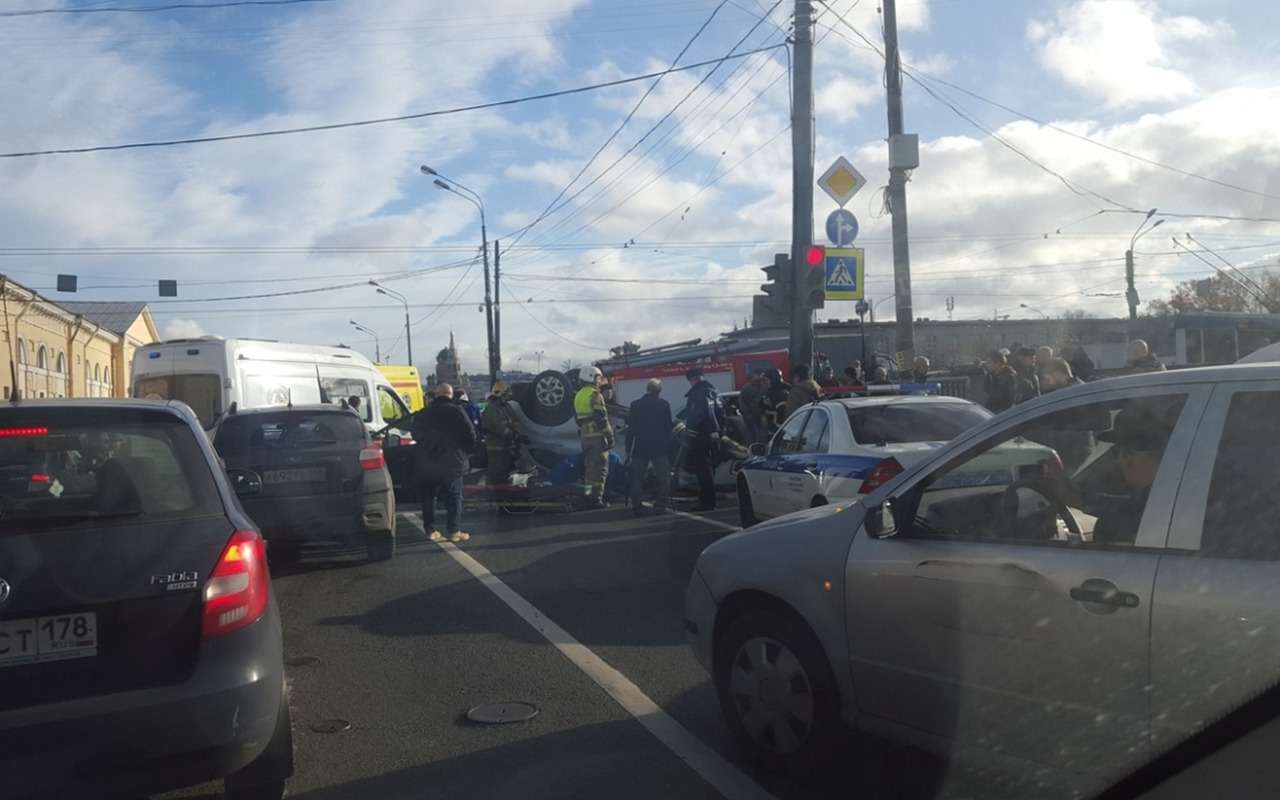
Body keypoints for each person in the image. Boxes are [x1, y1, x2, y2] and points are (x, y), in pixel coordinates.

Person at [410, 383, 476, 543]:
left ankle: (430, 530)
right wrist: (466, 451)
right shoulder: (457, 411)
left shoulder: (424, 413)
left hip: (428, 462)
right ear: (450, 395)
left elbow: (415, 434)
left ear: (436, 395)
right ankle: (454, 531)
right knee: (454, 497)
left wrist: (430, 445)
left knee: (429, 497)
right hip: (452, 461)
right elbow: (470, 434)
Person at [627, 378, 674, 516]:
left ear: (647, 389)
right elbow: (668, 428)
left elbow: (631, 430)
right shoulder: (664, 404)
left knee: (637, 479)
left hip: (640, 447)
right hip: (659, 447)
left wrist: (628, 449)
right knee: (664, 478)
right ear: (659, 391)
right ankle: (660, 505)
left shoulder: (635, 405)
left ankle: (637, 507)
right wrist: (669, 447)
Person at [683, 367, 723, 511]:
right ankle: (709, 500)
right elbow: (721, 413)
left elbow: (697, 415)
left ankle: (707, 502)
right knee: (710, 470)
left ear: (692, 379)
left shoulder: (697, 393)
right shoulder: (713, 392)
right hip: (714, 435)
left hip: (701, 436)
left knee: (703, 471)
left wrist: (689, 432)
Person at [574, 366, 614, 509]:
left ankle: (588, 496)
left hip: (585, 438)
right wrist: (610, 436)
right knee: (600, 470)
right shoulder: (595, 394)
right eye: (598, 378)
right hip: (597, 437)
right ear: (591, 377)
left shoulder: (579, 395)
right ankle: (596, 499)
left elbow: (577, 420)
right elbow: (601, 418)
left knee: (589, 471)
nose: (600, 381)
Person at [481, 381, 519, 485]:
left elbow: (515, 420)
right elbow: (498, 427)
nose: (508, 396)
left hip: (506, 445)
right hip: (495, 446)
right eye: (506, 394)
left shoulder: (506, 406)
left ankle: (503, 490)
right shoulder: (491, 408)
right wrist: (513, 435)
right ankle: (493, 491)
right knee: (496, 472)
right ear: (501, 394)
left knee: (505, 472)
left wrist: (516, 432)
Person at [737, 369, 767, 445]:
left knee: (763, 433)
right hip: (751, 416)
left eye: (760, 375)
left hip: (763, 415)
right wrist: (747, 414)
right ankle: (753, 446)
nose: (758, 377)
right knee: (753, 433)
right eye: (756, 375)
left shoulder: (765, 386)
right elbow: (742, 403)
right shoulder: (746, 388)